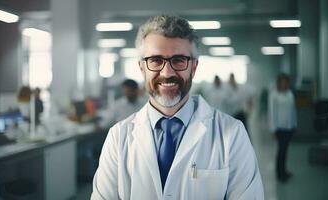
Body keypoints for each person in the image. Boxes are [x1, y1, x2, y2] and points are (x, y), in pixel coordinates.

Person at [91, 15, 264, 200]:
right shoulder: (118, 137)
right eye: (156, 60)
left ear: (194, 67)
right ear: (142, 67)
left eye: (179, 60)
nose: (167, 73)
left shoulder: (232, 134)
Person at [268, 73, 297, 182]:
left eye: (286, 82)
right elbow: (271, 112)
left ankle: (284, 171)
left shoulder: (290, 94)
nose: (284, 84)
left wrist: (295, 124)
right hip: (279, 128)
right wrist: (273, 129)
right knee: (281, 151)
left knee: (285, 151)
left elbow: (293, 110)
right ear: (279, 83)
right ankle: (280, 174)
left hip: (289, 127)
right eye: (282, 82)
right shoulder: (274, 95)